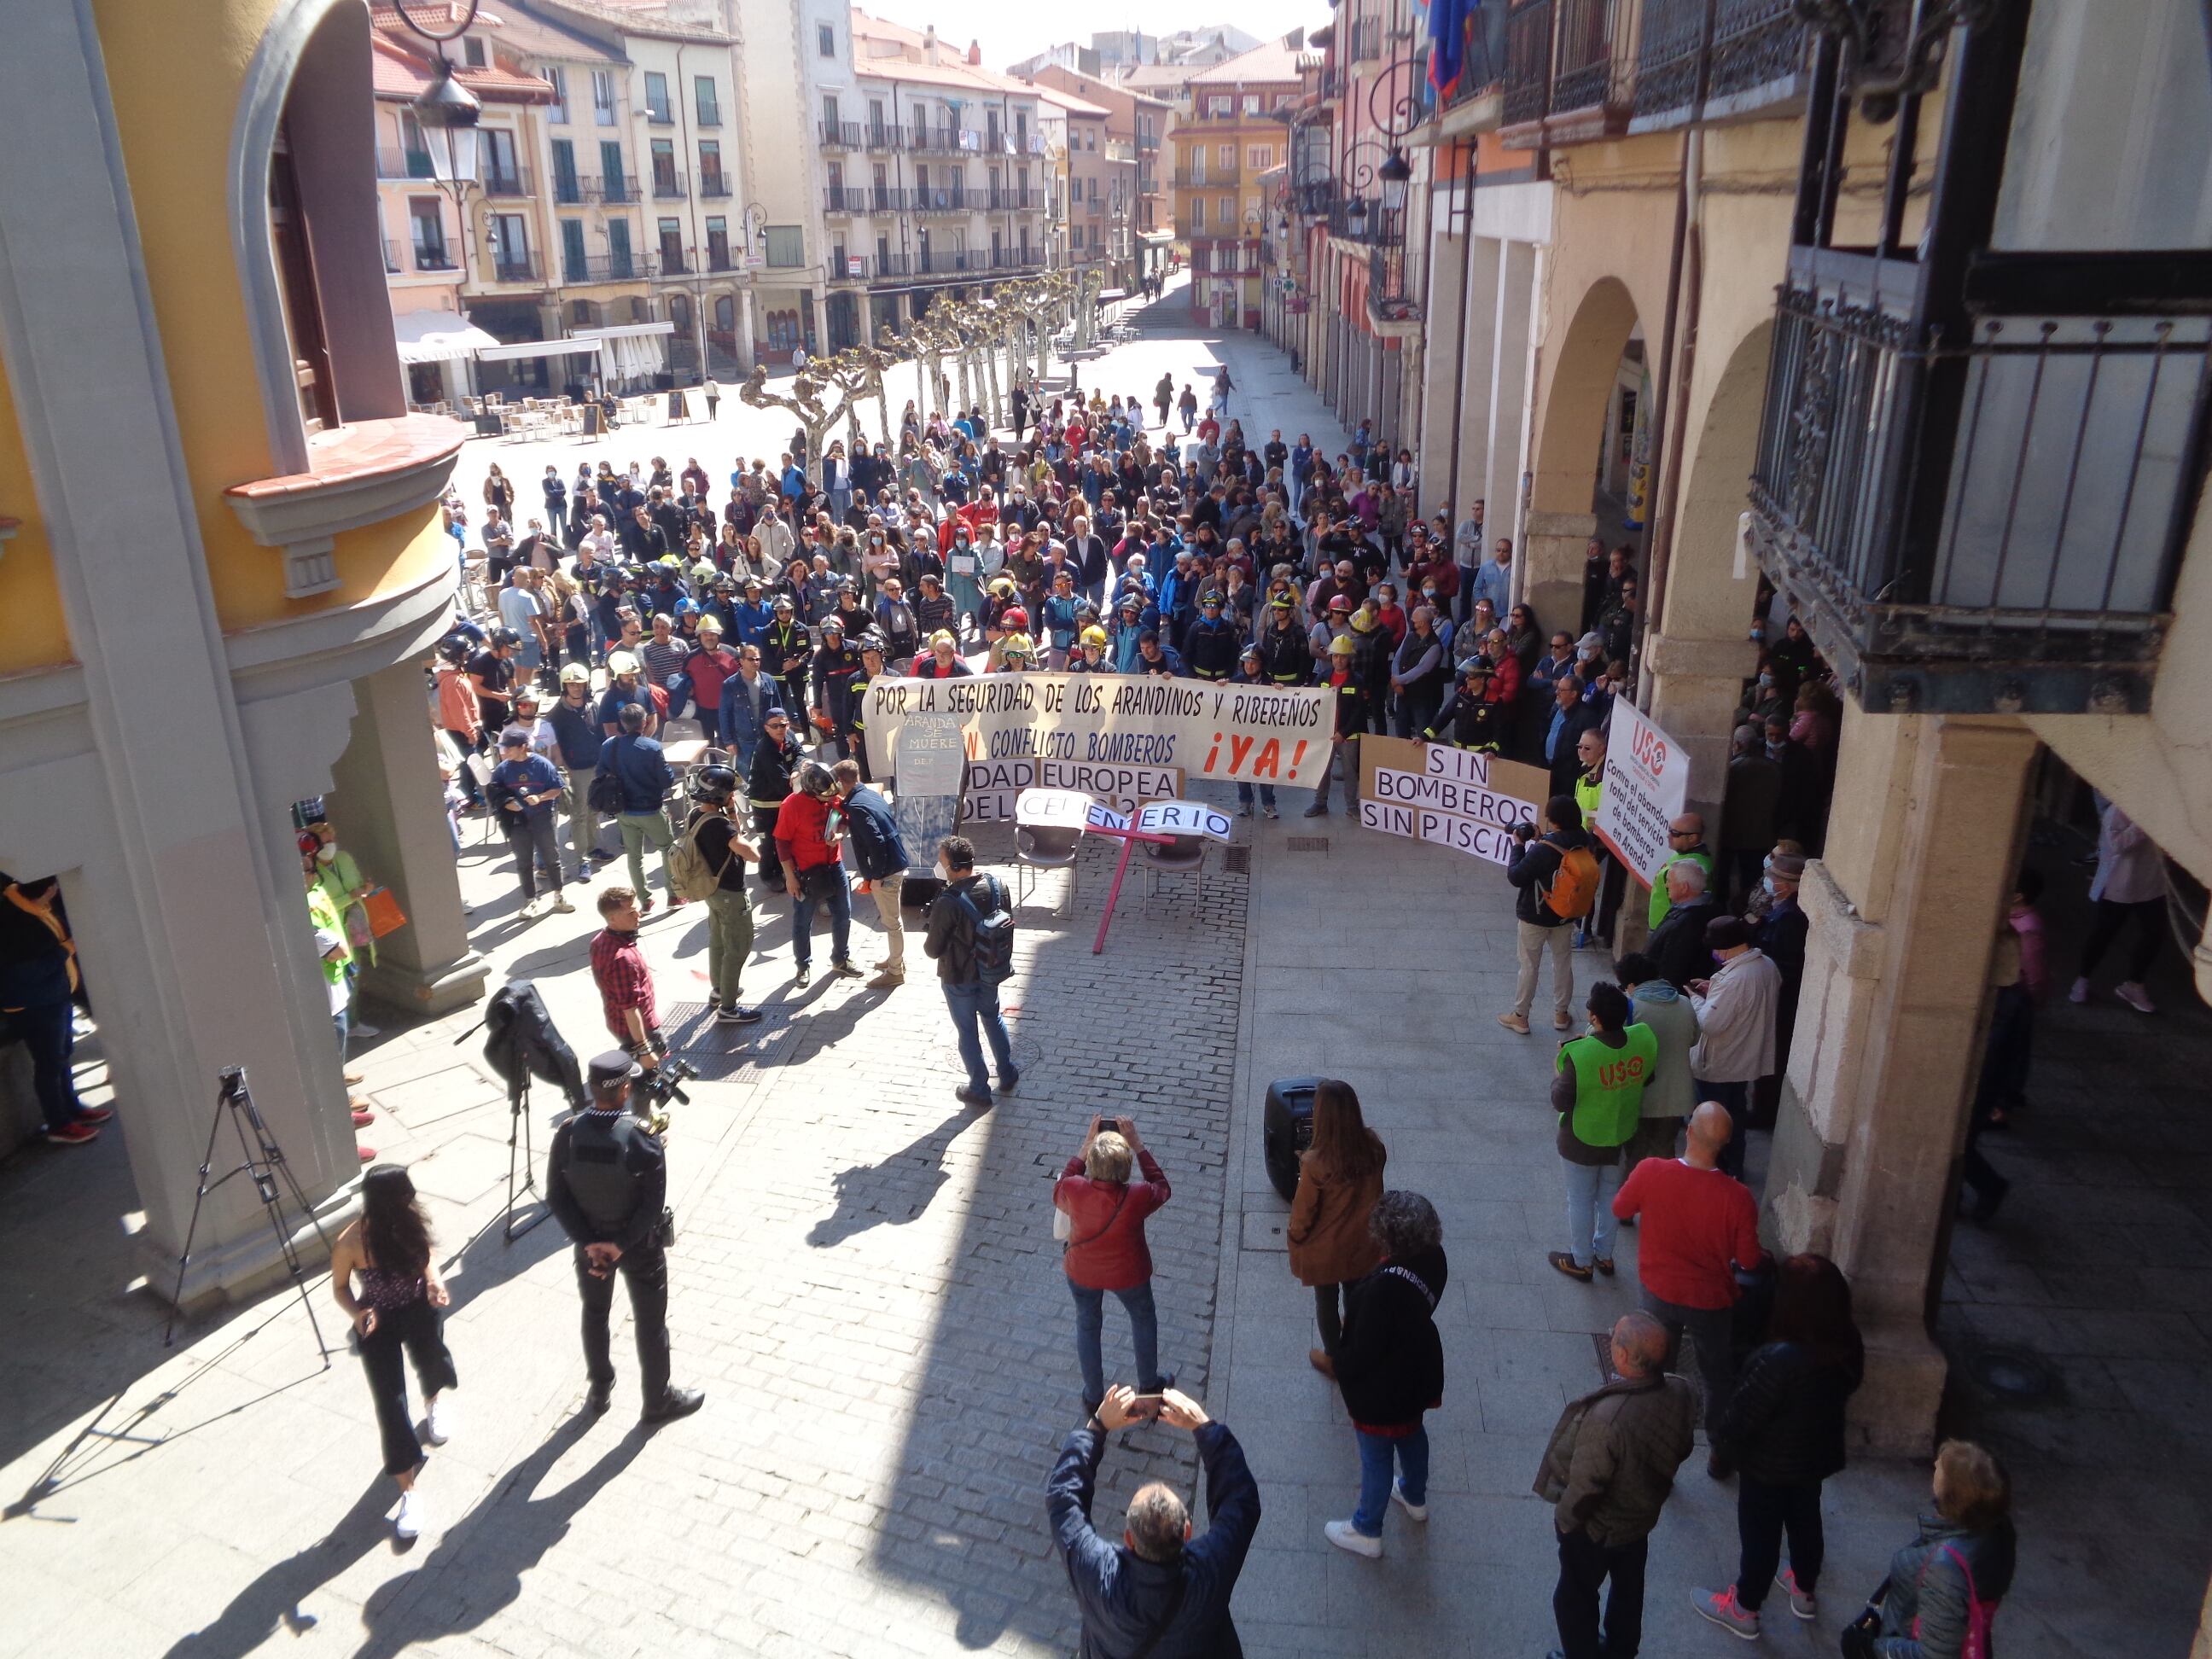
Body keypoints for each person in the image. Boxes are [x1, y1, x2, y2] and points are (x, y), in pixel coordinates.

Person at [1692, 1254, 1865, 1639]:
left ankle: (1745, 1608)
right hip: (1815, 1457)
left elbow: (1741, 1417)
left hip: (1767, 1467)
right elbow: (1850, 1386)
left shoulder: (1778, 1359)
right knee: (1806, 1520)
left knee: (1760, 1537)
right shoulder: (1847, 1342)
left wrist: (1723, 1447)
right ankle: (1804, 1590)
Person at [544, 1051, 703, 1424]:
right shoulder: (642, 1137)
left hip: (591, 1249)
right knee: (650, 1322)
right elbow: (652, 1205)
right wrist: (620, 1244)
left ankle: (600, 1390)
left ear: (593, 1088)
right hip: (640, 1248)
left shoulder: (568, 1134)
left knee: (596, 1313)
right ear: (626, 1088)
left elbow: (557, 1197)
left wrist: (590, 1242)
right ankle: (657, 1400)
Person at [1048, 1385, 1260, 1659]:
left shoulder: (1096, 1576)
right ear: (1187, 1532)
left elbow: (1063, 1498)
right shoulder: (1211, 1573)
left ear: (1128, 1539)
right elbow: (1240, 1502)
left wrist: (1097, 1425)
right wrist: (1203, 1426)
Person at [1534, 1311, 1697, 1659]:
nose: (1610, 1341)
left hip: (1600, 1530)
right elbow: (1683, 1446)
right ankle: (1622, 1651)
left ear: (1623, 1355)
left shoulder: (1608, 1418)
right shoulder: (1682, 1390)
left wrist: (1565, 1521)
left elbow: (1587, 1487)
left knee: (1574, 1598)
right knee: (1628, 1588)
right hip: (1639, 1521)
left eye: (1615, 1337)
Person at [1613, 1101, 1764, 1443]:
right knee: (1715, 1375)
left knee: (1653, 1368)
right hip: (1710, 1300)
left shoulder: (1652, 1171)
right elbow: (1750, 1261)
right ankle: (1718, 1446)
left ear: (1689, 1131)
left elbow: (1620, 1207)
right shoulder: (1738, 1197)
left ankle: (1652, 1439)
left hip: (1658, 1290)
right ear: (1724, 1143)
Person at [328, 1163, 455, 1540]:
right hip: (378, 1320)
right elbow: (339, 1288)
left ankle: (434, 1402)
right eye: (404, 1197)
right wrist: (357, 1313)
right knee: (390, 1402)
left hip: (418, 1305)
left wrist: (434, 1282)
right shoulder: (350, 1243)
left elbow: (425, 1255)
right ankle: (409, 1492)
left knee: (431, 1357)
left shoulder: (407, 1222)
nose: (411, 1202)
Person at [1325, 1190, 1448, 1559]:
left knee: (1376, 1457)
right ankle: (1414, 1495)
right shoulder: (1435, 1260)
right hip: (1418, 1372)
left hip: (1381, 1391)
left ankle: (1366, 1529)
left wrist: (1340, 1367)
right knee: (1413, 1436)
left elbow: (1360, 1353)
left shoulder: (1378, 1291)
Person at [1845, 1441, 2015, 1659]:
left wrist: (1875, 1648)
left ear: (1953, 1495)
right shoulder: (1997, 1527)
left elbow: (1933, 1655)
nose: (1935, 1464)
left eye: (1941, 1468)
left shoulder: (1945, 1567)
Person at [1055, 1115, 1173, 1417]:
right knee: (1143, 1318)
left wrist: (1085, 1144)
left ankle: (1094, 1397)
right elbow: (1162, 1186)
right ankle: (1149, 1388)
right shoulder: (1138, 1196)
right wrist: (1138, 1144)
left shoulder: (1073, 1188)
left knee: (1087, 1323)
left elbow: (1060, 1187)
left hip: (1082, 1271)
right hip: (1128, 1274)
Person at [1547, 982, 1656, 1283]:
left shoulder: (1580, 1054)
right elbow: (1648, 1076)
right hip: (1621, 1133)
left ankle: (1581, 1261)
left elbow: (1560, 1099)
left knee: (1580, 1199)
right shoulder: (1642, 1040)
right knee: (1610, 1195)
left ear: (1594, 1018)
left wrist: (1560, 1068)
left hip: (1581, 1140)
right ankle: (1605, 1256)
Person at [0, 872, 114, 1146]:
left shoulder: (29, 905)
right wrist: (65, 950)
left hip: (54, 997)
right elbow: (24, 974)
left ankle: (72, 1108)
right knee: (49, 1064)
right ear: (48, 890)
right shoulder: (14, 922)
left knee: (62, 1056)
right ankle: (59, 1124)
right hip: (34, 1004)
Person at [1287, 1079, 1386, 1377]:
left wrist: (1295, 1237)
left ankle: (1333, 1358)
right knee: (1356, 1294)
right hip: (1364, 1243)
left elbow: (1304, 1214)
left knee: (1326, 1303)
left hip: (1327, 1249)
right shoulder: (1374, 1148)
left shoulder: (1316, 1163)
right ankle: (1356, 1337)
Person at [921, 835, 1017, 1109]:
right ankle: (1007, 1072)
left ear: (952, 866)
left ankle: (979, 1088)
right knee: (992, 1016)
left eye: (941, 862)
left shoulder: (949, 901)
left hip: (958, 977)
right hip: (992, 970)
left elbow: (933, 949)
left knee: (967, 1031)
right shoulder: (998, 886)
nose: (939, 867)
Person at [1687, 917, 1781, 1177]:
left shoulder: (1733, 980)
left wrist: (1696, 999)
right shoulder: (1767, 966)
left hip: (1721, 1060)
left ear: (1725, 949)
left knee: (1712, 1121)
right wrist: (1714, 990)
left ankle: (1715, 1168)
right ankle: (1735, 1166)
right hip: (1745, 1058)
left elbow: (1710, 1023)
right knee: (1735, 1116)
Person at [1501, 796, 1592, 1036]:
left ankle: (1520, 1017)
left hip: (1536, 914)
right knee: (1563, 963)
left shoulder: (1543, 849)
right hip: (1566, 915)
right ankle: (1561, 1014)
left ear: (1553, 820)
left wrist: (1519, 845)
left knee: (1529, 965)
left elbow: (1516, 876)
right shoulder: (1585, 841)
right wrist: (1543, 839)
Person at [681, 761, 763, 1025]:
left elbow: (731, 831)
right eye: (730, 793)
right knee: (737, 947)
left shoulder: (696, 815)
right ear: (720, 795)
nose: (732, 796)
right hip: (730, 893)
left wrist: (730, 812)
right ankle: (728, 1008)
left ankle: (718, 991)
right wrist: (737, 829)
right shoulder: (720, 826)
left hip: (712, 891)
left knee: (717, 940)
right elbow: (752, 854)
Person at [2071, 798, 2164, 1013]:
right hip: (2119, 884)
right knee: (2104, 934)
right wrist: (2144, 824)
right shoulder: (2118, 810)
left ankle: (2134, 984)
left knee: (2155, 933)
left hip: (2152, 883)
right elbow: (2117, 844)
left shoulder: (2165, 811)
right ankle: (2082, 979)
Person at [774, 761, 861, 988]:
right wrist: (790, 877)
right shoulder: (791, 805)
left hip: (834, 866)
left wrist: (840, 835)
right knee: (803, 921)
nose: (829, 801)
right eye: (824, 798)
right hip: (805, 872)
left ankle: (841, 959)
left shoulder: (830, 793)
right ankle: (802, 965)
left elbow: (842, 819)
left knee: (844, 914)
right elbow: (781, 843)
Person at [1614, 952, 1699, 1170]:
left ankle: (1634, 1200)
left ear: (1631, 984)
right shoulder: (1684, 1003)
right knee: (1665, 1153)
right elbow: (1694, 1039)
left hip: (1641, 1096)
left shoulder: (1631, 1007)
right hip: (1677, 1096)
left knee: (1636, 1158)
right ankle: (1664, 1200)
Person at [832, 759, 910, 987]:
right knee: (893, 919)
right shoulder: (869, 795)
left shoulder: (856, 806)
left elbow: (875, 840)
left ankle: (896, 971)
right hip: (895, 863)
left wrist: (876, 877)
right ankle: (895, 959)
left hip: (886, 871)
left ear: (839, 782)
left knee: (891, 922)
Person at [488, 726, 572, 919]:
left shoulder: (542, 765)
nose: (505, 751)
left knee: (552, 858)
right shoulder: (502, 769)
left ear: (523, 747)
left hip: (542, 816)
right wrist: (508, 803)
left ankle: (559, 896)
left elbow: (557, 789)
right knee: (523, 862)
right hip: (518, 822)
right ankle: (530, 901)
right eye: (504, 748)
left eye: (509, 748)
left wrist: (540, 798)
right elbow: (494, 793)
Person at [605, 703, 678, 915]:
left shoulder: (611, 746)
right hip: (651, 810)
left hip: (624, 812)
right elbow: (666, 780)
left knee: (634, 856)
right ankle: (673, 895)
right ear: (644, 722)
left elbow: (602, 772)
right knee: (667, 849)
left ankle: (645, 902)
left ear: (622, 724)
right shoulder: (652, 747)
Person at [590, 886, 665, 1066]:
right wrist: (644, 1049)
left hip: (617, 1022)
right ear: (613, 919)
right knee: (647, 1077)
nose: (638, 915)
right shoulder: (623, 959)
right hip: (639, 1030)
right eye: (631, 912)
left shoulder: (599, 940)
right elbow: (630, 1009)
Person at [1720, 725, 1782, 906]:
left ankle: (1723, 907)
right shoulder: (1774, 768)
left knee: (1723, 876)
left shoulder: (1732, 769)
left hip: (1731, 834)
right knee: (1752, 878)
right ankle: (1748, 908)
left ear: (1737, 745)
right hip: (1760, 835)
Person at [748, 707, 803, 890]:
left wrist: (796, 769)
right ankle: (768, 875)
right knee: (769, 841)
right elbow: (781, 782)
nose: (781, 729)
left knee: (787, 837)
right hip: (764, 803)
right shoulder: (765, 749)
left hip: (783, 799)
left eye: (784, 724)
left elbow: (800, 755)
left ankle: (785, 869)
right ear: (766, 728)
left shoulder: (790, 737)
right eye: (775, 726)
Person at [1648, 861, 1723, 991]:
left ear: (1684, 888)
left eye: (1669, 881)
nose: (1666, 885)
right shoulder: (1686, 910)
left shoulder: (1690, 922)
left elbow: (1672, 969)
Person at [1649, 814, 1714, 930]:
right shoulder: (1681, 853)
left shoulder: (1697, 865)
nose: (1668, 836)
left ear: (1692, 838)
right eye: (1669, 830)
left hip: (1670, 927)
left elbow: (1687, 900)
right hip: (1661, 923)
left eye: (1675, 833)